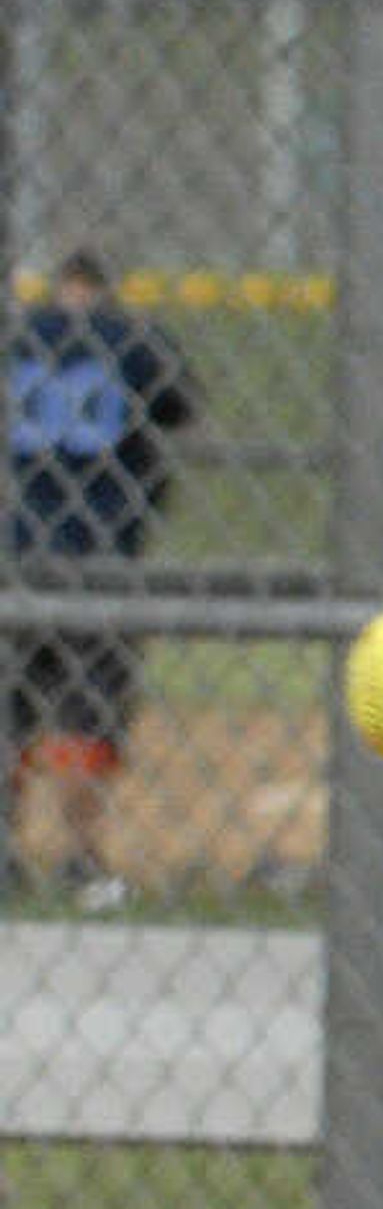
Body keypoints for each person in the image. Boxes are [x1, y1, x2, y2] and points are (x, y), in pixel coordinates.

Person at [8, 250, 197, 908]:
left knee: (14, 706)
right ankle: (80, 861)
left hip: (23, 550)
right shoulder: (133, 338)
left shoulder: (22, 332)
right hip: (104, 550)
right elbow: (181, 406)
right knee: (88, 706)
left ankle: (7, 856)